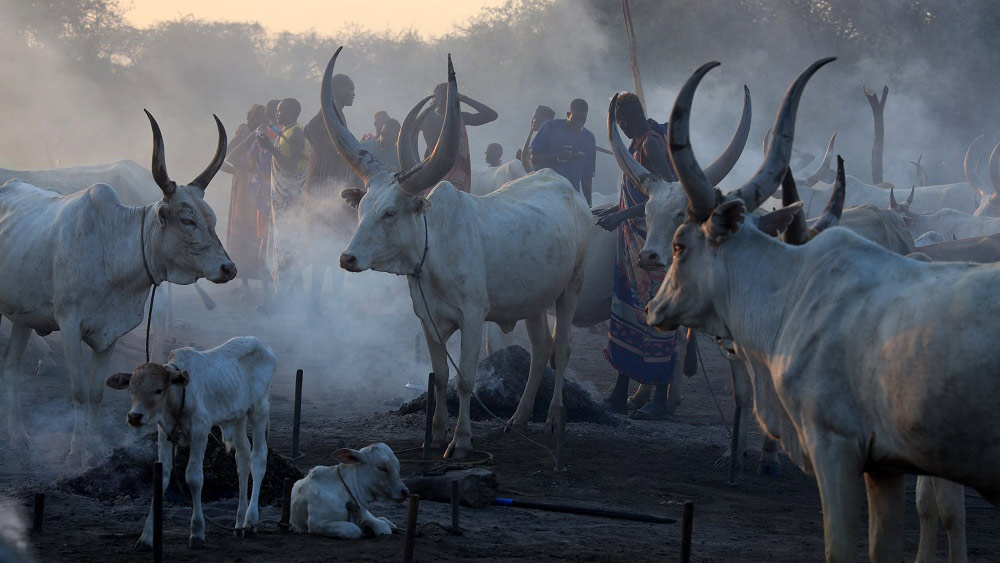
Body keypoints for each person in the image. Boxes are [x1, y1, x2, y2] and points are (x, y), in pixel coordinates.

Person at [598, 92, 681, 419]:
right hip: (633, 245)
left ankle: (660, 398)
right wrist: (615, 209)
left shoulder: (649, 144)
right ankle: (620, 392)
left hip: (653, 244)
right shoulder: (640, 144)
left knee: (657, 315)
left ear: (624, 120)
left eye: (621, 123)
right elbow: (643, 194)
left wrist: (622, 215)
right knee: (629, 316)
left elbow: (667, 193)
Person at [303, 73, 359, 311]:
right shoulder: (326, 114)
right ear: (337, 90)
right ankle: (317, 303)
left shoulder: (338, 114)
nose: (354, 94)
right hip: (324, 190)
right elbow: (309, 131)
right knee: (322, 247)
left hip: (336, 190)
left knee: (337, 244)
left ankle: (334, 301)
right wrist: (340, 147)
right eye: (350, 89)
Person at [259, 97, 309, 304]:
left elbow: (290, 166)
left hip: (290, 199)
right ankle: (287, 299)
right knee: (284, 246)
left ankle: (285, 301)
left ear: (290, 111)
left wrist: (269, 148)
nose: (277, 114)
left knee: (288, 246)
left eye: (280, 110)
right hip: (283, 199)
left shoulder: (296, 132)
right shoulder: (286, 131)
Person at [418, 82, 497, 193]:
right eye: (445, 95)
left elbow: (492, 115)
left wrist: (464, 98)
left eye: (451, 95)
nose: (449, 99)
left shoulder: (459, 118)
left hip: (456, 177)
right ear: (437, 97)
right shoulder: (427, 119)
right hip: (432, 174)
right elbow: (408, 135)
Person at [224, 104, 268, 301]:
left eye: (262, 115)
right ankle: (244, 283)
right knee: (242, 231)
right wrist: (239, 171)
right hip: (243, 189)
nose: (260, 118)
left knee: (259, 231)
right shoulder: (244, 133)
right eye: (257, 115)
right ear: (250, 117)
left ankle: (262, 279)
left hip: (258, 187)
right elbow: (227, 157)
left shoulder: (263, 133)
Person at [529, 99, 596, 204]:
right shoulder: (549, 127)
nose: (578, 124)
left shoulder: (589, 138)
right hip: (542, 191)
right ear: (568, 114)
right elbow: (533, 158)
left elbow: (587, 177)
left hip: (569, 197)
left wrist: (589, 205)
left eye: (582, 120)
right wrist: (557, 156)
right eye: (575, 119)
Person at [520, 105, 555, 171]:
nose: (532, 121)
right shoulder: (538, 138)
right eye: (532, 118)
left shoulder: (549, 140)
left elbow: (532, 159)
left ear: (544, 121)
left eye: (535, 118)